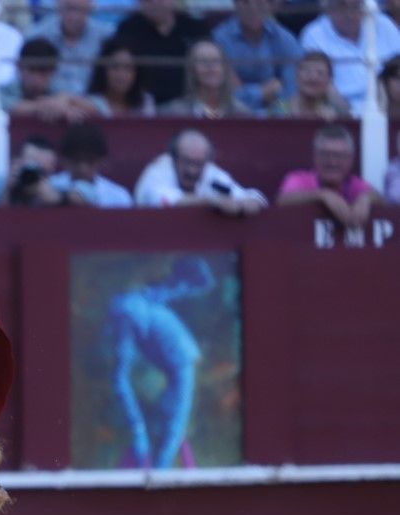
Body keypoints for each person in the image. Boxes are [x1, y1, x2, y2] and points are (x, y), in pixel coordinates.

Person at [104, 256, 216, 469]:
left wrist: (189, 278)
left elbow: (195, 285)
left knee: (171, 431)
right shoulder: (128, 313)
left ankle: (158, 469)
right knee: (169, 431)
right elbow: (120, 378)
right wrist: (137, 431)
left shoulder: (134, 302)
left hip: (180, 365)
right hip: (177, 366)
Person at [133, 128, 267, 214]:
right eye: (187, 162)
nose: (192, 171)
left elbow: (251, 196)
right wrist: (210, 201)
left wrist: (251, 204)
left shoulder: (210, 172)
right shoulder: (159, 170)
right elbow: (164, 200)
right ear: (173, 158)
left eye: (198, 164)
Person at [297, 0, 400, 111]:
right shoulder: (314, 34)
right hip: (339, 111)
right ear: (328, 7)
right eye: (342, 5)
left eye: (356, 6)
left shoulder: (385, 25)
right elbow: (321, 85)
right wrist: (349, 114)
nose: (350, 14)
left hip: (388, 107)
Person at [276, 123, 379, 230]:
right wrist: (322, 195)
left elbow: (380, 199)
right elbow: (282, 200)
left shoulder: (353, 182)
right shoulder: (299, 179)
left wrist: (366, 198)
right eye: (325, 154)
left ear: (350, 160)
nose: (332, 162)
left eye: (340, 156)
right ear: (315, 157)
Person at [111, 0, 210, 105]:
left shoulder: (196, 29)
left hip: (190, 104)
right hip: (140, 106)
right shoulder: (127, 30)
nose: (155, 2)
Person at [213, 0, 302, 112]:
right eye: (246, 2)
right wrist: (262, 92)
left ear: (270, 6)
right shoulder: (220, 39)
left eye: (260, 3)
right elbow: (225, 92)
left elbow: (292, 91)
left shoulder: (285, 39)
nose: (253, 8)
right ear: (235, 4)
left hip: (277, 116)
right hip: (231, 115)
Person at [0, 37, 104, 121]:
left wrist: (68, 99)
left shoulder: (61, 89)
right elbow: (2, 104)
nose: (36, 79)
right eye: (32, 70)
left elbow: (101, 107)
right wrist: (51, 107)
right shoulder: (2, 91)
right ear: (19, 67)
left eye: (43, 72)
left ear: (54, 71)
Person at [27, 0, 112, 96]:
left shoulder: (106, 37)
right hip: (48, 103)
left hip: (93, 102)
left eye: (80, 10)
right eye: (69, 8)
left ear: (90, 9)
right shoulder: (36, 36)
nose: (74, 16)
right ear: (58, 7)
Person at [160, 39, 258, 117]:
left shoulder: (242, 114)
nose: (210, 66)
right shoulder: (174, 114)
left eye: (215, 61)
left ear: (225, 69)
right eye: (203, 61)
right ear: (192, 71)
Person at [50, 122, 132, 207]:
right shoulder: (49, 187)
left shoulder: (118, 196)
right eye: (75, 160)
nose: (82, 168)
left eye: (90, 161)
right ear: (64, 160)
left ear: (102, 162)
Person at [0, 135, 62, 209]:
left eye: (41, 171)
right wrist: (7, 192)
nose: (33, 175)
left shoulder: (57, 187)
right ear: (16, 162)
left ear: (52, 170)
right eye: (30, 167)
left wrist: (56, 201)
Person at [86, 35, 158, 116]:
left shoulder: (145, 102)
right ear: (103, 70)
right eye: (115, 67)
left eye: (128, 68)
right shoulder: (91, 103)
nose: (121, 75)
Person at [272, 49, 351, 116]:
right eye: (307, 71)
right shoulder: (280, 108)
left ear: (329, 80)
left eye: (320, 73)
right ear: (296, 77)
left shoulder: (336, 112)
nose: (313, 78)